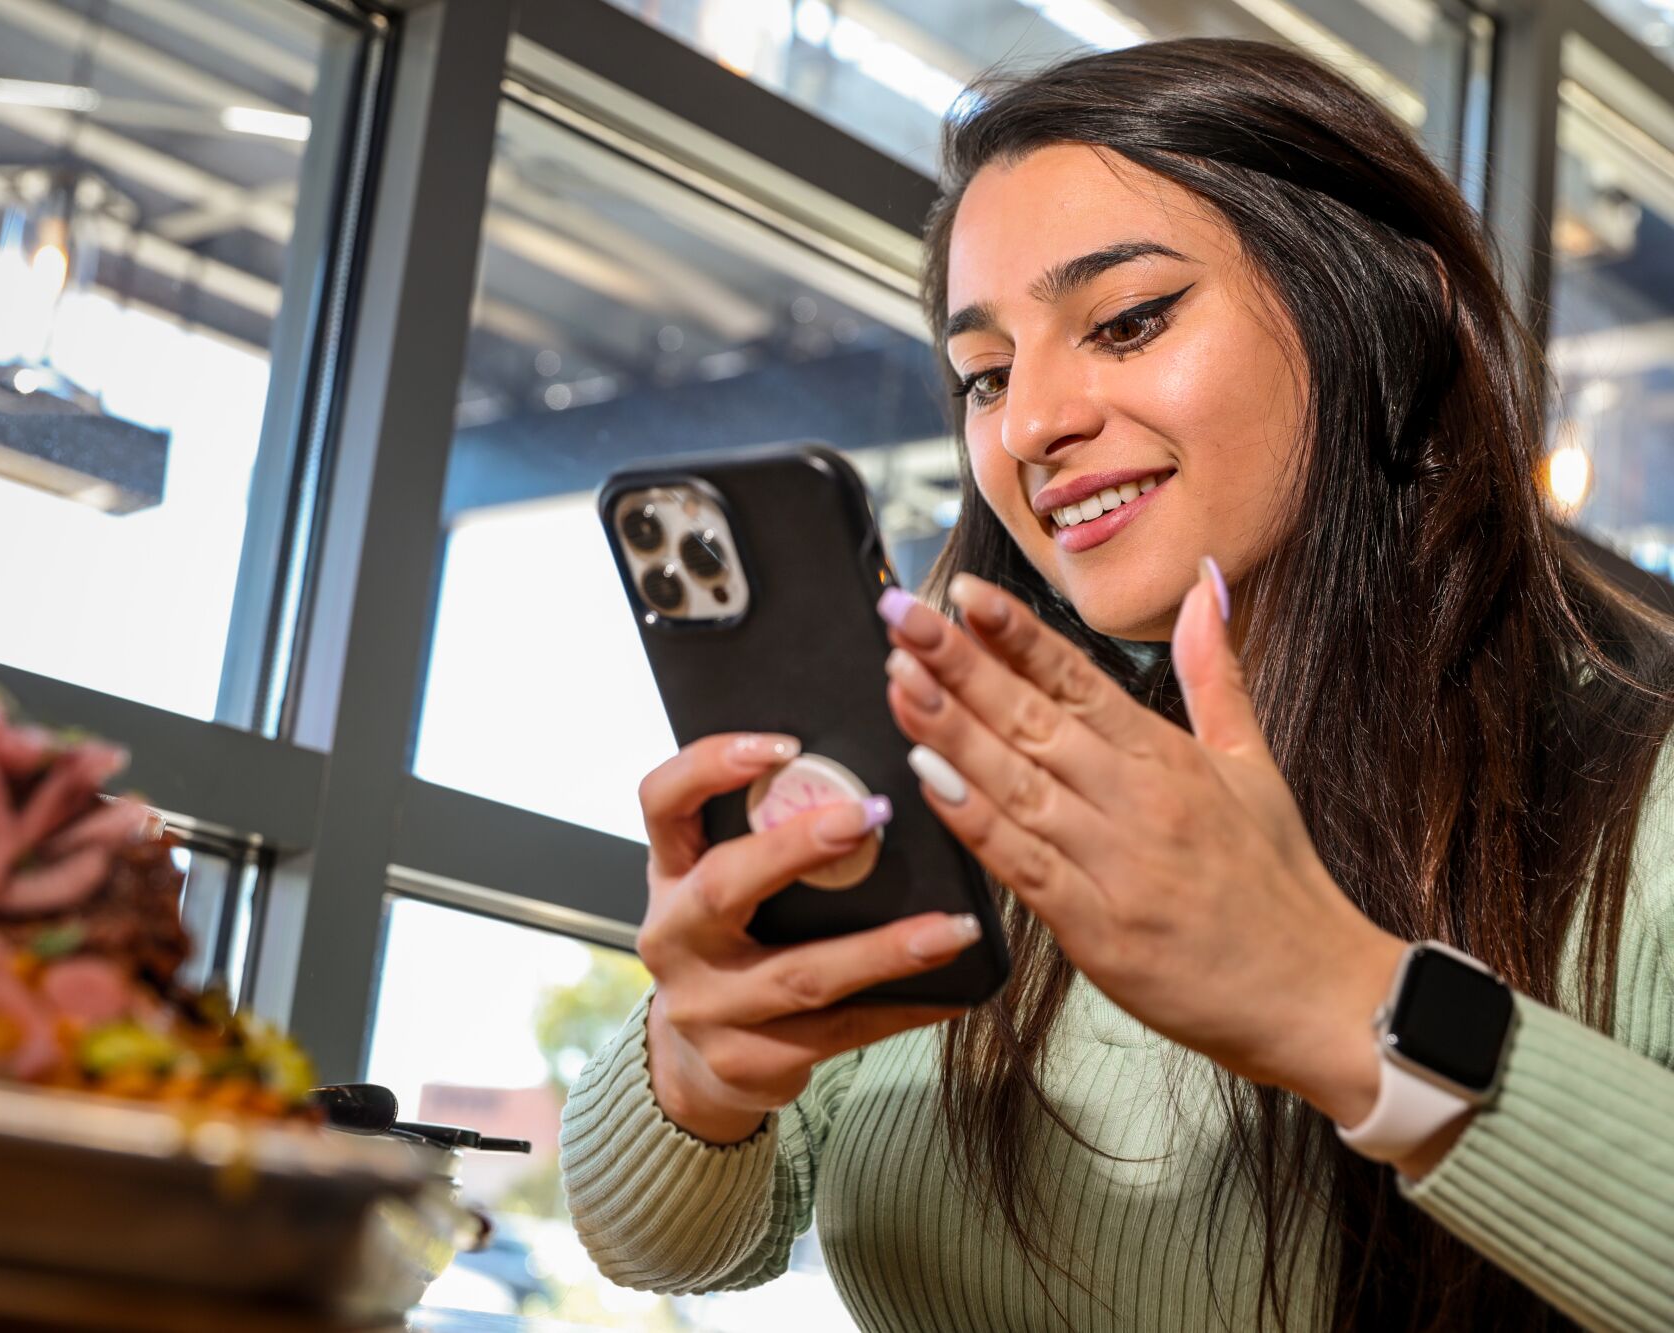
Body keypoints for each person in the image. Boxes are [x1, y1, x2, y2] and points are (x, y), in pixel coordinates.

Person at [557, 37, 1674, 1333]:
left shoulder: (1641, 789)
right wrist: (699, 1065)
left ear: (1390, 306)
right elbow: (666, 1235)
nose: (1029, 423)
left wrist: (1342, 1004)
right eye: (985, 373)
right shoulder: (963, 780)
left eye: (1129, 320)